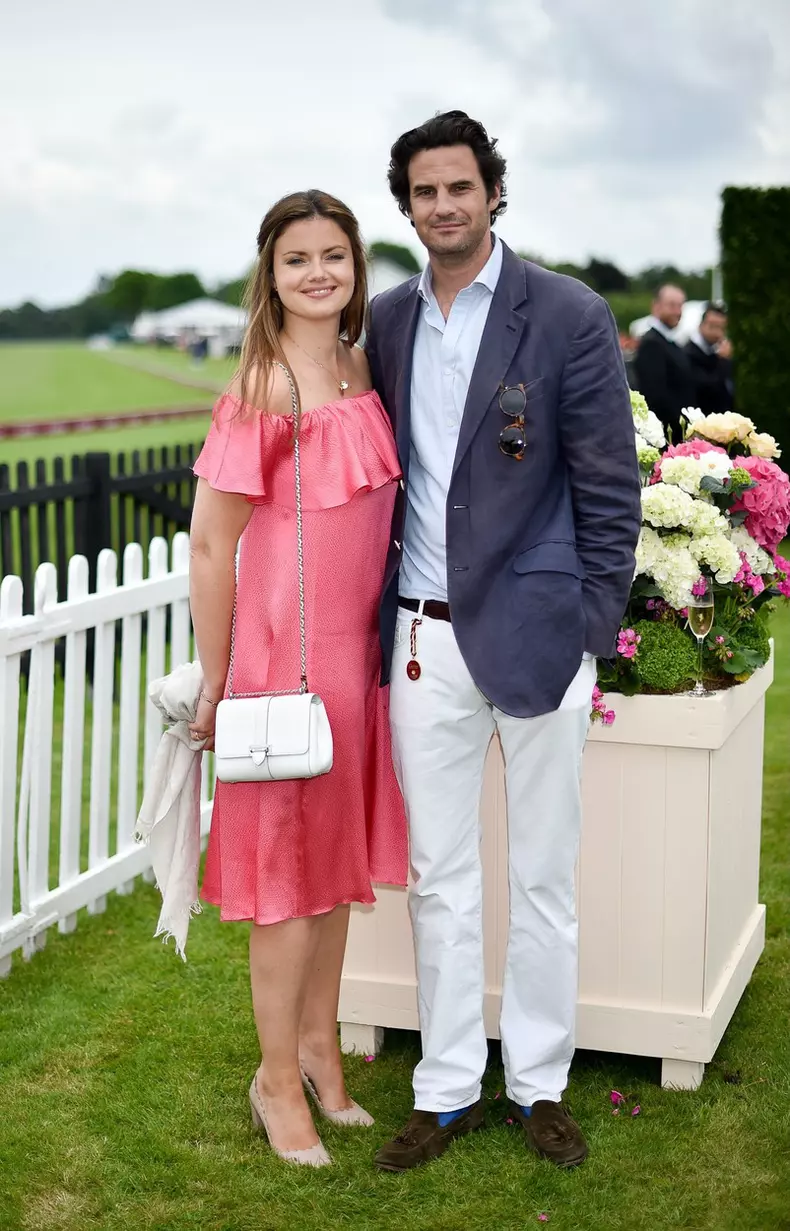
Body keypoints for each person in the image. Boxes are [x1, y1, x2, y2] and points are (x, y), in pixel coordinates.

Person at [366, 110, 642, 1172]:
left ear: (492, 193)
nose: (443, 205)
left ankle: (536, 1082)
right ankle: (442, 1091)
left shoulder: (567, 313)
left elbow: (607, 488)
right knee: (437, 876)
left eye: (460, 187)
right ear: (406, 205)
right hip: (422, 644)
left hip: (538, 638)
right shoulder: (385, 321)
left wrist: (586, 628)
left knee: (542, 877)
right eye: (424, 192)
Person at [187, 189, 408, 1167]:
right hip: (283, 669)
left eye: (334, 255)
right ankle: (275, 1080)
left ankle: (319, 1050)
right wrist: (214, 679)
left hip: (356, 666)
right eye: (296, 258)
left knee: (331, 878)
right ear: (268, 274)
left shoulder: (358, 365)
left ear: (355, 265)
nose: (318, 272)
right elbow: (208, 543)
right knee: (283, 887)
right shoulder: (267, 384)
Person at [632, 284, 694, 438]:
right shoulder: (651, 344)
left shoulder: (669, 342)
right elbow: (656, 396)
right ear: (656, 307)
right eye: (672, 305)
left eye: (680, 306)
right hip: (668, 435)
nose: (678, 311)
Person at [684, 301, 734, 414]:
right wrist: (724, 361)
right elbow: (707, 388)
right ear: (701, 325)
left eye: (721, 328)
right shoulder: (689, 353)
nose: (717, 333)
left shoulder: (717, 352)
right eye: (712, 326)